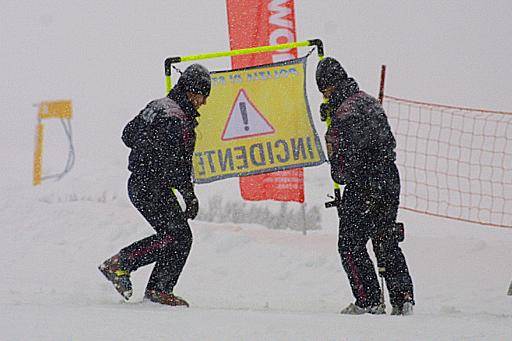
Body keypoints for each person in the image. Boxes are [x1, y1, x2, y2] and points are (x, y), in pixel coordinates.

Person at [98, 64, 211, 307]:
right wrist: (188, 195)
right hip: (150, 183)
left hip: (142, 182)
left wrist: (148, 143)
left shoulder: (158, 106)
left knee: (177, 236)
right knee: (177, 236)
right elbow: (177, 164)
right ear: (192, 91)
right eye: (202, 96)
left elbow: (127, 134)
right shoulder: (177, 119)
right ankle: (124, 266)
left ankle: (157, 288)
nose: (203, 102)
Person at [316, 57, 415, 315]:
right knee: (386, 238)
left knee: (350, 244)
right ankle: (403, 297)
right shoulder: (368, 101)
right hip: (389, 177)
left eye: (323, 91)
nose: (324, 96)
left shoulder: (342, 114)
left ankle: (369, 300)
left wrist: (341, 173)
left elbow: (344, 162)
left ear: (328, 87)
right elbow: (383, 141)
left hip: (363, 181)